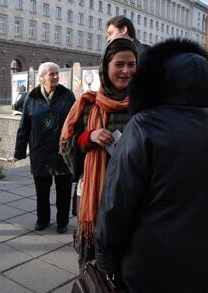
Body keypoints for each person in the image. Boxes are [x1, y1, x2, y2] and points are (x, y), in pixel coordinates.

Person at [94, 39, 208, 293]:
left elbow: (116, 202)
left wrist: (104, 255)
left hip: (148, 264)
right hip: (207, 263)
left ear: (157, 79)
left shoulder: (145, 125)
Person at [59, 38, 137, 269]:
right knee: (94, 265)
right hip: (95, 198)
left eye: (132, 64)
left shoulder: (147, 105)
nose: (126, 71)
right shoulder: (87, 104)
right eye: (119, 64)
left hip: (134, 199)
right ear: (106, 67)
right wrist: (88, 137)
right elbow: (65, 148)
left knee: (128, 265)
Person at [14, 62, 76, 234]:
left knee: (64, 190)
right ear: (41, 78)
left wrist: (77, 148)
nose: (56, 77)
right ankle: (43, 219)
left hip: (63, 152)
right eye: (51, 74)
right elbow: (24, 126)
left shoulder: (67, 96)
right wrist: (19, 151)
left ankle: (62, 221)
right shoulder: (31, 98)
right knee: (42, 190)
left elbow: (76, 123)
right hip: (39, 151)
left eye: (57, 73)